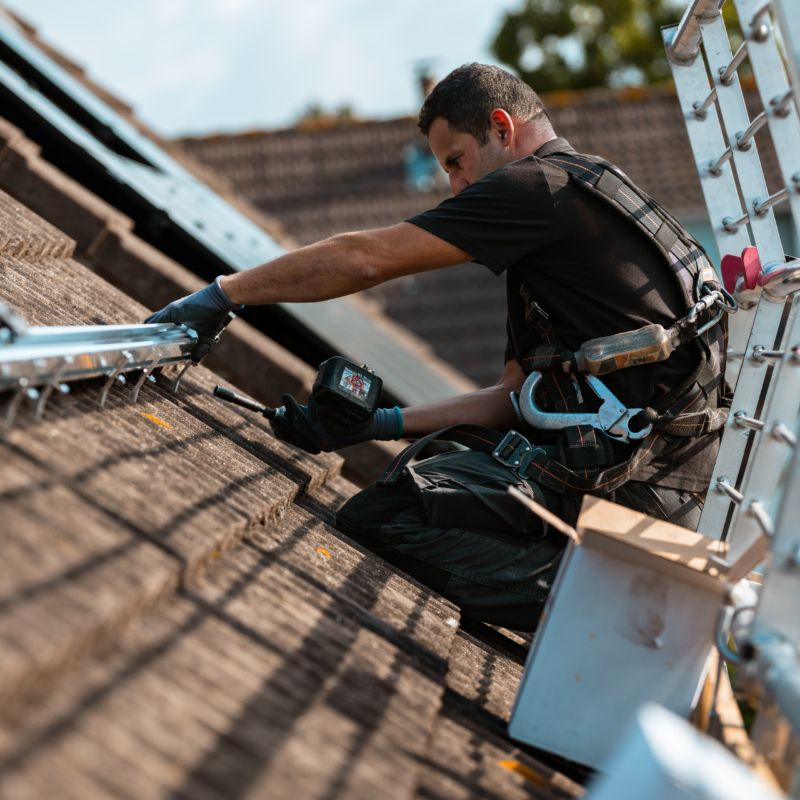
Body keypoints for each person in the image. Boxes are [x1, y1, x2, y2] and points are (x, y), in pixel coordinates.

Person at [146, 64, 730, 631]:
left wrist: (223, 295)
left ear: (503, 129)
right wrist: (379, 423)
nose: (455, 186)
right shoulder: (592, 192)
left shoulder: (536, 188)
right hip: (662, 487)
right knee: (425, 463)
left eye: (457, 161)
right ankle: (608, 591)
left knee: (393, 517)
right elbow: (511, 395)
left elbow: (365, 258)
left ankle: (625, 604)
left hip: (638, 496)